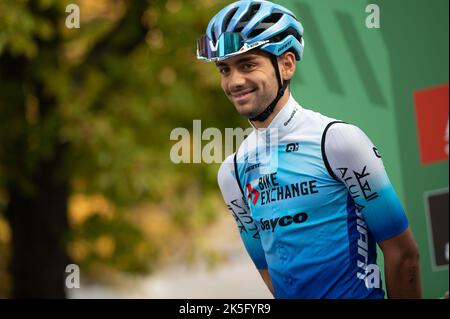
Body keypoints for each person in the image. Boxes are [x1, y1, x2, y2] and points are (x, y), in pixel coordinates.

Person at [197, 0, 422, 298]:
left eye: (248, 64)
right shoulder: (232, 172)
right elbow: (273, 279)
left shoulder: (338, 141)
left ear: (287, 64)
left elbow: (403, 255)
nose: (234, 81)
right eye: (224, 69)